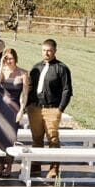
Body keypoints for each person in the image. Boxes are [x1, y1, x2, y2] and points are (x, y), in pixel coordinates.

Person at [26, 39, 73, 179]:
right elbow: (30, 88)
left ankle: (54, 168)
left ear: (54, 51)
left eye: (49, 50)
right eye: (44, 50)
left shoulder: (61, 68)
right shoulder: (36, 68)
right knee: (36, 138)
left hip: (52, 109)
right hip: (35, 108)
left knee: (52, 139)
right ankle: (36, 165)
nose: (46, 53)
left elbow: (67, 90)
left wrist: (60, 109)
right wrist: (26, 105)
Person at [0, 48, 29, 178]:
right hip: (1, 107)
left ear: (15, 58)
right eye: (6, 58)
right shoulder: (1, 71)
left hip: (14, 108)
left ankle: (9, 165)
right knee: (0, 137)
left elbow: (24, 95)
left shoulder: (23, 73)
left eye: (10, 58)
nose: (8, 61)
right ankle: (0, 164)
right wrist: (1, 65)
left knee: (11, 137)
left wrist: (21, 110)